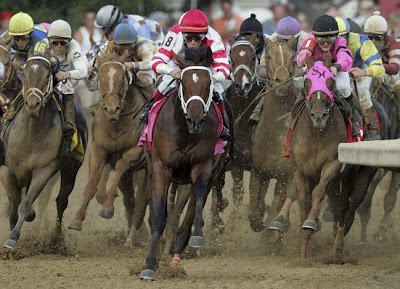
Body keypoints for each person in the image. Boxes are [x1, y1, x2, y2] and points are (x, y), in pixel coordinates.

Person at [141, 8, 231, 141]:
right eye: (189, 38)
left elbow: (224, 66)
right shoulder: (175, 34)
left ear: (205, 35)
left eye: (198, 38)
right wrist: (170, 71)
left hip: (205, 69)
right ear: (183, 34)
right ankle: (148, 111)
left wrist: (213, 78)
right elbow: (156, 61)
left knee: (217, 91)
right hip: (178, 66)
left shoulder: (214, 36)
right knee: (165, 83)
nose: (193, 42)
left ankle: (222, 125)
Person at [5, 19, 88, 140]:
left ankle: (69, 122)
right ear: (49, 40)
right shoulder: (42, 44)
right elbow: (35, 63)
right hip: (50, 71)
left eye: (63, 43)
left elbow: (83, 71)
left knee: (66, 85)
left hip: (68, 74)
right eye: (55, 43)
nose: (59, 46)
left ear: (69, 42)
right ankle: (12, 110)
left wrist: (67, 74)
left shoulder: (75, 49)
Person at [248, 16, 308, 126]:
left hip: (300, 74)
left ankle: (300, 111)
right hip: (279, 77)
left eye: (289, 40)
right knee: (272, 82)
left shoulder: (306, 40)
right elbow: (263, 68)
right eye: (283, 40)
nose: (286, 43)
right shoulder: (273, 39)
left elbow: (306, 66)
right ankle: (258, 110)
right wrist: (268, 72)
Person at [336, 16, 385, 141]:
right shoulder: (325, 42)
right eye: (335, 38)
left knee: (363, 90)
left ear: (349, 35)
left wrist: (363, 71)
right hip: (339, 70)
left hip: (359, 66)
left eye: (343, 37)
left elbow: (380, 69)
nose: (338, 42)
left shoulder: (362, 41)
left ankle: (373, 130)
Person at [88, 19, 157, 100]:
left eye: (129, 46)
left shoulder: (143, 45)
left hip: (153, 67)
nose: (126, 50)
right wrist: (91, 68)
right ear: (115, 43)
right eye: (122, 47)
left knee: (143, 77)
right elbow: (95, 60)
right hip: (128, 66)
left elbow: (150, 63)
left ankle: (151, 102)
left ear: (135, 41)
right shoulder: (109, 45)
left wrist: (133, 65)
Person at [363, 11, 400, 109]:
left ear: (384, 37)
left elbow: (395, 68)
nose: (373, 42)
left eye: (378, 38)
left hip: (388, 75)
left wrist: (377, 67)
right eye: (370, 37)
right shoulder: (360, 42)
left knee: (398, 86)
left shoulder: (392, 43)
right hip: (366, 72)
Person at [94, 5, 164, 45]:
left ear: (115, 25)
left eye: (107, 29)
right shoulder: (111, 29)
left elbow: (146, 47)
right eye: (103, 29)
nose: (105, 32)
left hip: (155, 43)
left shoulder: (138, 25)